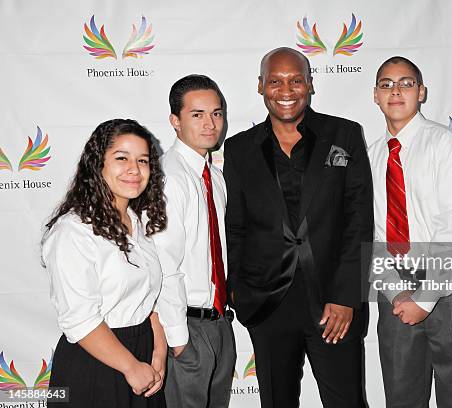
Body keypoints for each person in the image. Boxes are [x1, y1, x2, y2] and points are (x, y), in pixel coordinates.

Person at [223, 47, 373, 408]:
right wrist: (239, 294)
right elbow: (236, 227)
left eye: (295, 80)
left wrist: (345, 297)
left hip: (333, 302)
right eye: (275, 81)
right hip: (268, 305)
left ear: (310, 84)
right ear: (260, 86)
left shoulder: (345, 134)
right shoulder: (239, 148)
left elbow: (359, 221)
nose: (285, 90)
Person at [368, 56, 452, 407]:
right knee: (401, 400)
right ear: (375, 95)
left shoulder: (447, 145)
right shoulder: (371, 155)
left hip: (450, 292)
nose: (396, 91)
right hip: (396, 294)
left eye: (406, 83)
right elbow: (372, 234)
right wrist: (396, 293)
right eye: (386, 84)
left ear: (422, 92)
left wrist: (427, 297)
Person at [42, 119, 167, 408]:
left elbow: (148, 298)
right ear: (97, 163)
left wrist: (158, 352)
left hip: (142, 353)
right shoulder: (73, 231)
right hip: (96, 363)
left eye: (143, 160)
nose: (134, 169)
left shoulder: (137, 222)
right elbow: (79, 318)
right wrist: (130, 367)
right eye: (121, 158)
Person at [153, 74, 236, 408]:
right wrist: (178, 339)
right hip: (186, 327)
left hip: (219, 323)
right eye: (197, 114)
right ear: (175, 121)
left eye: (216, 113)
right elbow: (164, 262)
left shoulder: (214, 176)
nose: (210, 124)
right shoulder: (168, 177)